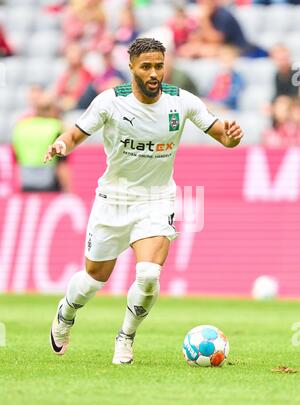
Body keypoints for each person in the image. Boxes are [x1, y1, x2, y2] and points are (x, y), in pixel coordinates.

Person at [44, 38, 243, 364]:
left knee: (149, 274)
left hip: (156, 198)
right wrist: (61, 145)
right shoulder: (110, 102)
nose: (154, 73)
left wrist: (232, 137)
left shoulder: (182, 101)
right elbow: (75, 134)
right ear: (132, 67)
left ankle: (126, 337)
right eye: (146, 67)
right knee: (94, 278)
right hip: (113, 199)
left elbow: (222, 134)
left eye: (159, 66)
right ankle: (66, 312)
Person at [13, 92, 71, 192]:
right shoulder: (57, 128)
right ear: (53, 110)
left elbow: (16, 160)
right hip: (50, 184)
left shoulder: (21, 127)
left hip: (26, 183)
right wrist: (68, 191)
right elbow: (61, 165)